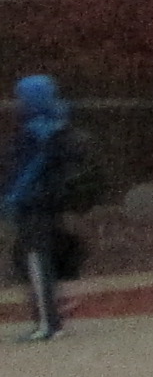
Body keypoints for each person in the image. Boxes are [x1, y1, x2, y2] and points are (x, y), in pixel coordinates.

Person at [9, 74, 76, 343]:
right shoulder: (53, 124)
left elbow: (31, 169)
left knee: (36, 258)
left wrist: (14, 195)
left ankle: (48, 322)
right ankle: (51, 310)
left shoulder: (40, 130)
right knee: (33, 257)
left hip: (35, 202)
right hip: (44, 200)